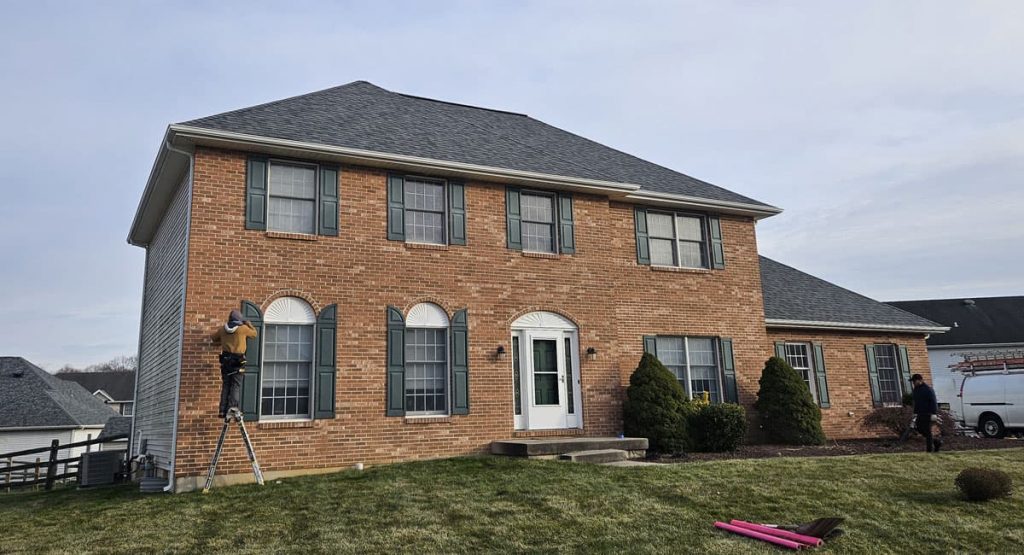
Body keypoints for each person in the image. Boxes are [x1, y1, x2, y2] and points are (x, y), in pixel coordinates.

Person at [210, 309, 258, 419]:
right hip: (237, 360)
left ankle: (222, 410)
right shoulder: (243, 329)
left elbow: (213, 338)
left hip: (226, 360)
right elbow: (254, 334)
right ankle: (233, 408)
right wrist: (248, 323)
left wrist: (223, 341)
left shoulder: (223, 329)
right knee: (235, 385)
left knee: (226, 384)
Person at [911, 373, 942, 453]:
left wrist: (934, 413)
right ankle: (936, 442)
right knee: (920, 429)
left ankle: (929, 450)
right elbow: (916, 402)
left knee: (928, 431)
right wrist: (915, 413)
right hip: (920, 413)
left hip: (928, 413)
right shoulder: (916, 390)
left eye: (915, 381)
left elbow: (933, 401)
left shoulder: (928, 389)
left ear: (920, 380)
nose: (913, 383)